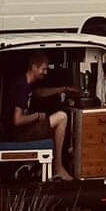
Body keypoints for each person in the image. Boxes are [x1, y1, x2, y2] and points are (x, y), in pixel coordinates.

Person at [5, 51, 74, 181]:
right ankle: (57, 168)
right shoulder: (22, 87)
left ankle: (32, 166)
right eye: (43, 69)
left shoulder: (26, 83)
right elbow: (17, 120)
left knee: (50, 122)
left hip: (21, 131)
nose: (46, 72)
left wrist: (63, 89)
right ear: (34, 67)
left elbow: (40, 93)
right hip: (19, 133)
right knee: (62, 117)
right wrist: (37, 116)